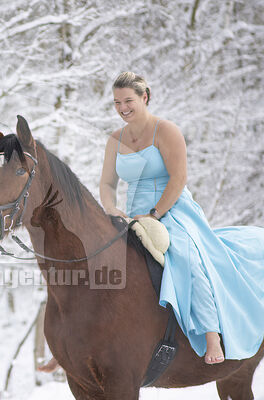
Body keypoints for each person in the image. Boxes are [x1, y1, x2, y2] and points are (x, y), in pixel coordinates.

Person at [99, 71, 264, 365]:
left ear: (144, 97)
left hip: (171, 208)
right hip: (134, 214)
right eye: (116, 103)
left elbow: (179, 178)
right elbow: (107, 184)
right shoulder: (115, 140)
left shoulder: (166, 131)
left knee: (185, 258)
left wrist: (155, 214)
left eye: (128, 100)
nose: (122, 108)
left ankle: (212, 334)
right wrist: (111, 208)